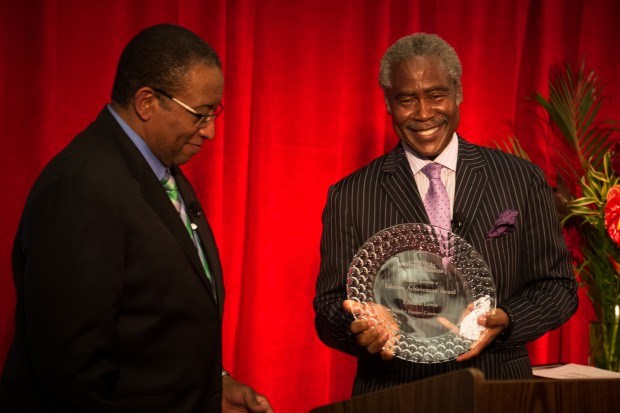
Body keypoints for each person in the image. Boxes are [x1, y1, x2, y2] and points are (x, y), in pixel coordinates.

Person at [0, 24, 273, 412]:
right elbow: (71, 375)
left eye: (214, 113)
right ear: (147, 102)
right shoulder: (81, 188)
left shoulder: (157, 169)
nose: (210, 132)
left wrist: (215, 386)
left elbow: (152, 323)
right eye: (200, 114)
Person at [313, 32, 578, 395]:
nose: (423, 113)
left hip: (497, 387)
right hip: (393, 393)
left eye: (436, 95)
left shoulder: (520, 179)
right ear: (388, 104)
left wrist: (508, 320)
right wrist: (359, 325)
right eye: (407, 100)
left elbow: (558, 287)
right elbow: (329, 306)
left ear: (458, 93)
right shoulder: (350, 195)